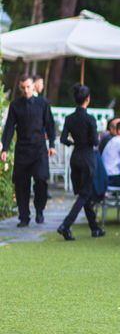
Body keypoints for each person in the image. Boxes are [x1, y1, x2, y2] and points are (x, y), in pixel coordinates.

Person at [0, 75, 56, 227]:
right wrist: (4, 148)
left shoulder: (43, 103)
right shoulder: (15, 105)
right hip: (22, 149)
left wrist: (52, 144)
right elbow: (9, 128)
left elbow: (50, 125)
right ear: (20, 88)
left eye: (28, 87)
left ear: (33, 86)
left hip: (39, 149)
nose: (26, 90)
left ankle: (39, 210)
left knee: (41, 180)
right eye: (23, 88)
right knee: (21, 184)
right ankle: (24, 216)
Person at [57, 84, 105, 241]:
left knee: (84, 194)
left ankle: (95, 228)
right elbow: (95, 141)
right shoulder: (90, 119)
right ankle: (66, 225)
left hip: (75, 156)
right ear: (88, 99)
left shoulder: (69, 118)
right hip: (87, 158)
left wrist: (73, 143)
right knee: (85, 195)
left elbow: (63, 139)